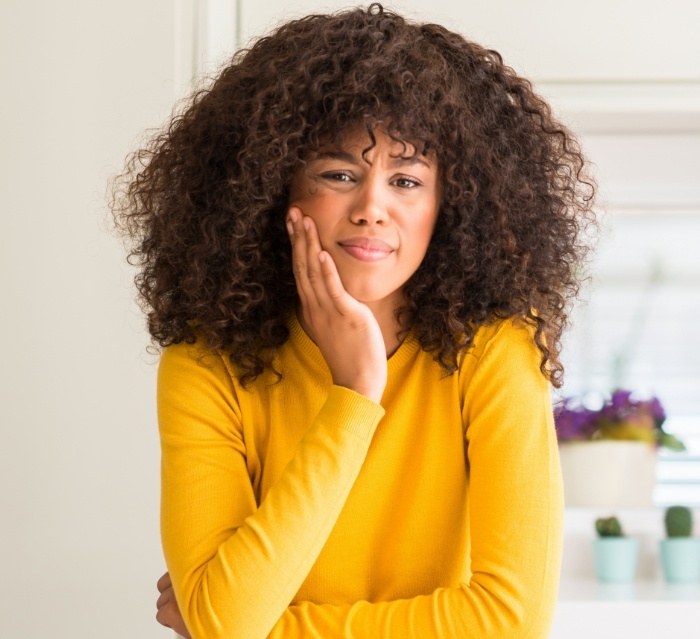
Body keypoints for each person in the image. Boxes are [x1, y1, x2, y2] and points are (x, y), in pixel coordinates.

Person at [113, 4, 595, 637]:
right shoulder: (206, 364)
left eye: (407, 179)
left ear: (448, 205)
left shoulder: (496, 349)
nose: (373, 208)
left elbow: (510, 622)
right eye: (339, 174)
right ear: (271, 188)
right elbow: (227, 624)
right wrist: (354, 398)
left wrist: (266, 628)